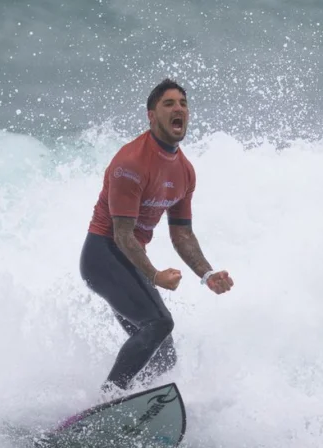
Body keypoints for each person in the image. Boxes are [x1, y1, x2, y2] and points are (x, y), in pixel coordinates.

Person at [80, 78, 234, 396]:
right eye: (168, 104)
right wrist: (154, 275)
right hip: (103, 256)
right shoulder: (131, 164)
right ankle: (108, 397)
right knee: (158, 324)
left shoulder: (185, 171)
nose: (178, 109)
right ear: (151, 115)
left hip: (129, 262)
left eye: (183, 104)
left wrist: (207, 273)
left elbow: (181, 233)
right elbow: (122, 236)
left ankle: (132, 406)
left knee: (163, 355)